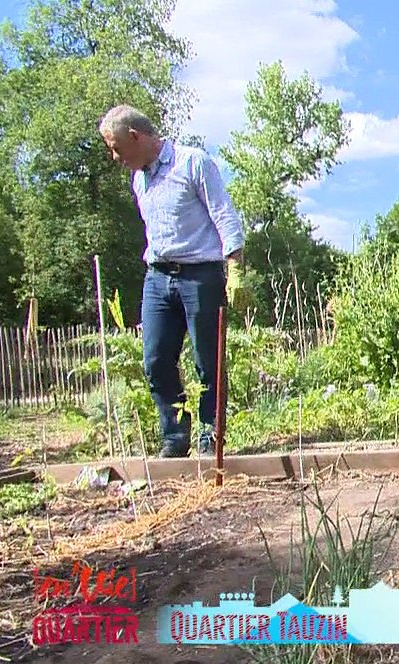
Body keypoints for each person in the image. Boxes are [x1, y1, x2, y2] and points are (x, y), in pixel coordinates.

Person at [98, 105, 253, 458]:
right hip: (158, 278)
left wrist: (235, 268)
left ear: (135, 137)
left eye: (117, 147)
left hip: (200, 277)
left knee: (207, 362)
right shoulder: (140, 178)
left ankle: (210, 436)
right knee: (155, 360)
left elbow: (224, 214)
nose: (114, 156)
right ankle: (175, 436)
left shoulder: (192, 163)